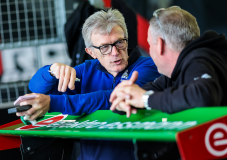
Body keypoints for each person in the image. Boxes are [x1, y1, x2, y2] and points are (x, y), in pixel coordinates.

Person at [17, 9, 160, 160]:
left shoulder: (147, 66)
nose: (115, 52)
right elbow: (36, 88)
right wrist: (51, 71)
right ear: (91, 52)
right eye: (104, 47)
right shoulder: (87, 69)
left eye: (119, 42)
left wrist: (52, 103)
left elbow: (115, 97)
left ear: (126, 40)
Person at [110, 6, 227, 159]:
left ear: (159, 45)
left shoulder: (199, 60)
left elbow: (203, 95)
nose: (150, 52)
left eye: (150, 45)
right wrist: (125, 98)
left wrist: (145, 99)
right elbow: (141, 95)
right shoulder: (174, 73)